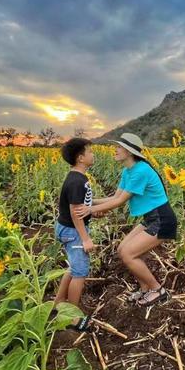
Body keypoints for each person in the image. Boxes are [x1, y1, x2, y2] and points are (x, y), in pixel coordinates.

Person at [74, 133, 177, 307]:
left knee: (129, 254)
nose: (115, 150)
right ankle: (145, 289)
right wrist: (89, 202)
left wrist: (89, 210)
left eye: (119, 147)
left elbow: (119, 202)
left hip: (162, 219)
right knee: (123, 250)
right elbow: (115, 197)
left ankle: (158, 290)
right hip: (151, 218)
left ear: (129, 152)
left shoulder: (141, 170)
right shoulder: (128, 171)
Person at [53, 137, 111, 330]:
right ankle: (72, 318)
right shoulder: (78, 181)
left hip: (69, 229)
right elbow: (76, 212)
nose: (93, 154)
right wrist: (85, 239)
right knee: (80, 272)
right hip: (73, 231)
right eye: (90, 152)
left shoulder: (78, 178)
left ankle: (59, 302)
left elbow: (85, 203)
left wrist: (103, 205)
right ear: (80, 158)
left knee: (72, 268)